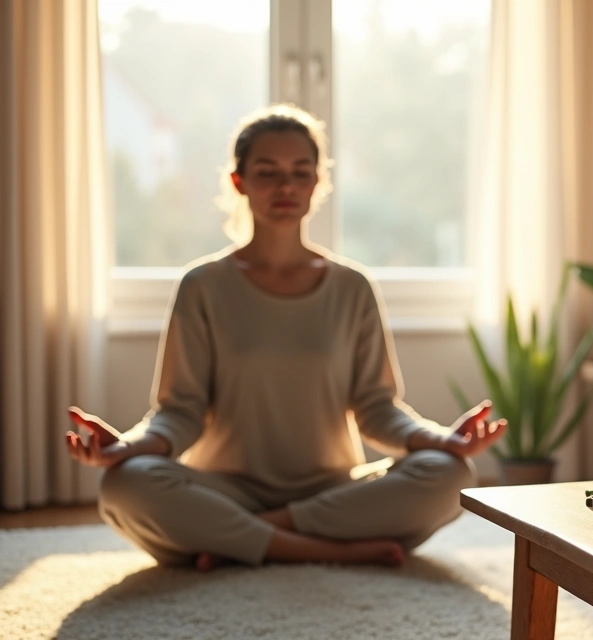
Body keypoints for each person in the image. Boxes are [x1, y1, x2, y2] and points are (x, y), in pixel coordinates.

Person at [64, 104, 505, 571]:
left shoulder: (352, 286)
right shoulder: (202, 286)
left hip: (332, 489)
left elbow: (377, 409)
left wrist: (440, 439)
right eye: (268, 172)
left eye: (301, 171)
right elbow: (180, 413)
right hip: (224, 487)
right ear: (239, 182)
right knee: (124, 485)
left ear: (318, 182)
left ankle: (243, 537)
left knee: (452, 475)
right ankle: (325, 550)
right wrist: (126, 448)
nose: (286, 186)